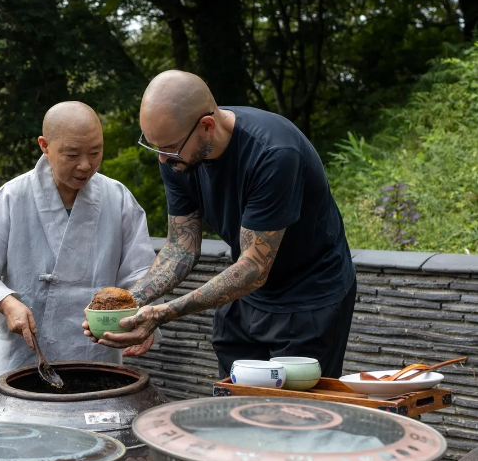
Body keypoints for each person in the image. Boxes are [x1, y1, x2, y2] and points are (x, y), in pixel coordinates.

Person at [87, 71, 356, 379]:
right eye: (155, 146)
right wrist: (129, 305)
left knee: (296, 417)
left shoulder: (274, 153)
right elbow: (181, 247)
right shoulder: (177, 153)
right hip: (245, 299)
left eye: (169, 148)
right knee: (231, 408)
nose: (162, 159)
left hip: (310, 297)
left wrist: (163, 313)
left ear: (207, 126)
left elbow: (254, 267)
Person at [0, 101, 156, 388]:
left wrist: (143, 316)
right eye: (72, 154)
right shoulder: (14, 197)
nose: (85, 165)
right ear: (45, 146)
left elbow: (140, 275)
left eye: (96, 152)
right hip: (23, 354)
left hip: (95, 352)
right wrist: (7, 303)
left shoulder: (118, 199)